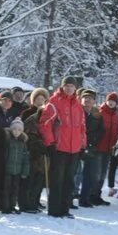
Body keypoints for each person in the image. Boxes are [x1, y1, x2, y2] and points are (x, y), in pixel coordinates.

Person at [39, 77, 86, 218]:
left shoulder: (78, 104)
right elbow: (45, 123)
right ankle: (54, 210)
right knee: (57, 180)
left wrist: (82, 145)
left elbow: (82, 127)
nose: (69, 88)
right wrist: (50, 143)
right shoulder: (54, 102)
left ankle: (65, 209)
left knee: (69, 181)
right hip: (59, 148)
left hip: (74, 149)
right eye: (67, 86)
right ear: (62, 87)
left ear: (75, 88)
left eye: (72, 86)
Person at [79, 90, 105, 208]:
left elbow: (102, 131)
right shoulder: (77, 111)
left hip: (91, 147)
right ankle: (69, 198)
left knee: (90, 174)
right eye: (85, 98)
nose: (87, 100)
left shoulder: (97, 115)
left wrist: (93, 141)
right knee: (73, 174)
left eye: (90, 98)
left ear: (94, 101)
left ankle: (84, 198)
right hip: (76, 146)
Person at [94, 92, 118, 205]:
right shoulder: (100, 113)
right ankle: (92, 194)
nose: (111, 103)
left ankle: (97, 194)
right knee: (97, 172)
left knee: (103, 173)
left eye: (113, 101)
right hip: (99, 147)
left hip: (109, 148)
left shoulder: (116, 117)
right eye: (109, 100)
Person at [2, 118, 30, 214]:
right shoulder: (8, 141)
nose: (17, 132)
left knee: (15, 189)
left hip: (17, 170)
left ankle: (12, 205)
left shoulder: (22, 143)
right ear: (11, 129)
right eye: (15, 129)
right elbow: (4, 155)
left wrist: (25, 171)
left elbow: (25, 158)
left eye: (19, 130)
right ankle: (5, 206)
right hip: (7, 170)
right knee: (6, 189)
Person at [22, 108, 47, 213]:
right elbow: (29, 137)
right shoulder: (32, 120)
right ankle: (27, 204)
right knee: (30, 180)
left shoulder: (50, 119)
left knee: (39, 180)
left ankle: (34, 202)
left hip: (42, 155)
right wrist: (42, 144)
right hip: (32, 154)